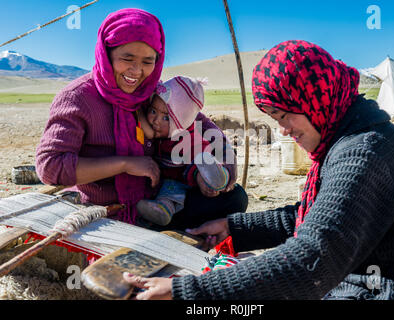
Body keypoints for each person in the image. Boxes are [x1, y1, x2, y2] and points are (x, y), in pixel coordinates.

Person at [123, 40, 394, 300]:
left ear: (310, 100)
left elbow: (310, 262)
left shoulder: (363, 154)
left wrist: (187, 293)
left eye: (283, 116)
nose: (282, 130)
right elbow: (317, 218)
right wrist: (234, 228)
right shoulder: (350, 136)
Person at [35, 8, 247, 231]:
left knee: (235, 198)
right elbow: (51, 167)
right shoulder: (77, 98)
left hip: (154, 202)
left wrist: (225, 157)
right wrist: (125, 164)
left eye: (148, 61)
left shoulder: (151, 92)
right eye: (127, 58)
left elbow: (199, 122)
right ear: (106, 53)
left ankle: (173, 230)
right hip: (103, 213)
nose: (136, 71)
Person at [136, 76, 231, 226]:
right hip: (173, 178)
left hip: (189, 167)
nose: (155, 121)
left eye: (166, 118)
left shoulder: (186, 136)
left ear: (180, 122)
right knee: (170, 191)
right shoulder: (164, 132)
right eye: (153, 111)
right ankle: (162, 211)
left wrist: (138, 113)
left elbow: (201, 147)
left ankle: (218, 177)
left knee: (201, 171)